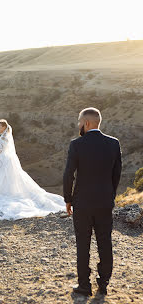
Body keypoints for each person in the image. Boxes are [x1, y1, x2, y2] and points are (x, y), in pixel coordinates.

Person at [63, 107, 122, 296]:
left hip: (82, 203)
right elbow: (116, 174)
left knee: (83, 243)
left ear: (86, 123)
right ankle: (103, 284)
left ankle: (84, 286)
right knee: (105, 242)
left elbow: (68, 175)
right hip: (105, 202)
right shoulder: (113, 144)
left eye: (80, 122)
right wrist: (109, 195)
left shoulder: (76, 144)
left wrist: (68, 199)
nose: (79, 125)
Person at [0, 119, 65, 220]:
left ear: (4, 127)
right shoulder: (5, 136)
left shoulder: (4, 138)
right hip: (5, 160)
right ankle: (2, 191)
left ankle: (0, 192)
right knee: (3, 177)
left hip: (2, 160)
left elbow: (0, 150)